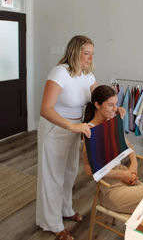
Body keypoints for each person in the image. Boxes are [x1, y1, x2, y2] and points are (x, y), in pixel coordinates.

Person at [36, 36, 125, 240]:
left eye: (92, 53)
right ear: (75, 52)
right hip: (56, 128)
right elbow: (45, 109)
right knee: (53, 176)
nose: (90, 57)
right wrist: (71, 125)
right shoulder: (60, 73)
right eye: (86, 53)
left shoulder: (87, 75)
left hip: (76, 129)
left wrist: (114, 108)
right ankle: (52, 223)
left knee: (68, 173)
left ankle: (66, 209)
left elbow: (101, 98)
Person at [83, 85, 143, 214]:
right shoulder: (89, 131)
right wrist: (122, 175)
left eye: (116, 104)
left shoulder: (111, 122)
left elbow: (128, 146)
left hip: (124, 177)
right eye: (110, 105)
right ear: (97, 105)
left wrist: (134, 165)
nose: (115, 109)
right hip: (112, 190)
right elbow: (88, 169)